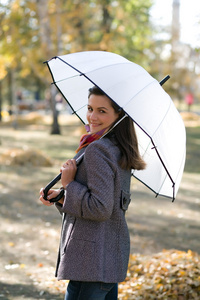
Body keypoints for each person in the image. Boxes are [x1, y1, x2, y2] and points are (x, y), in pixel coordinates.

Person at [39, 86, 146, 300]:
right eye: (90, 108)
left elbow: (100, 208)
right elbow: (106, 199)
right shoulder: (118, 148)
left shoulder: (99, 150)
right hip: (106, 259)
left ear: (119, 115)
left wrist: (69, 184)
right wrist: (62, 195)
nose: (92, 116)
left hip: (90, 262)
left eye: (102, 111)